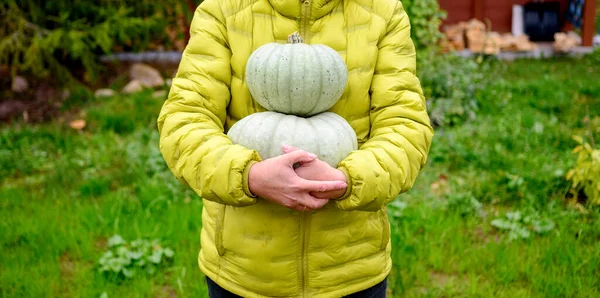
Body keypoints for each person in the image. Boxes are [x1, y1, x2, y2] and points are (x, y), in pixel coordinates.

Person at [157, 0, 434, 296]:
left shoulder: (382, 11)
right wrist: (248, 176)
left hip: (350, 265)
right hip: (245, 270)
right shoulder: (223, 9)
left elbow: (405, 125)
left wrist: (347, 182)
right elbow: (184, 121)